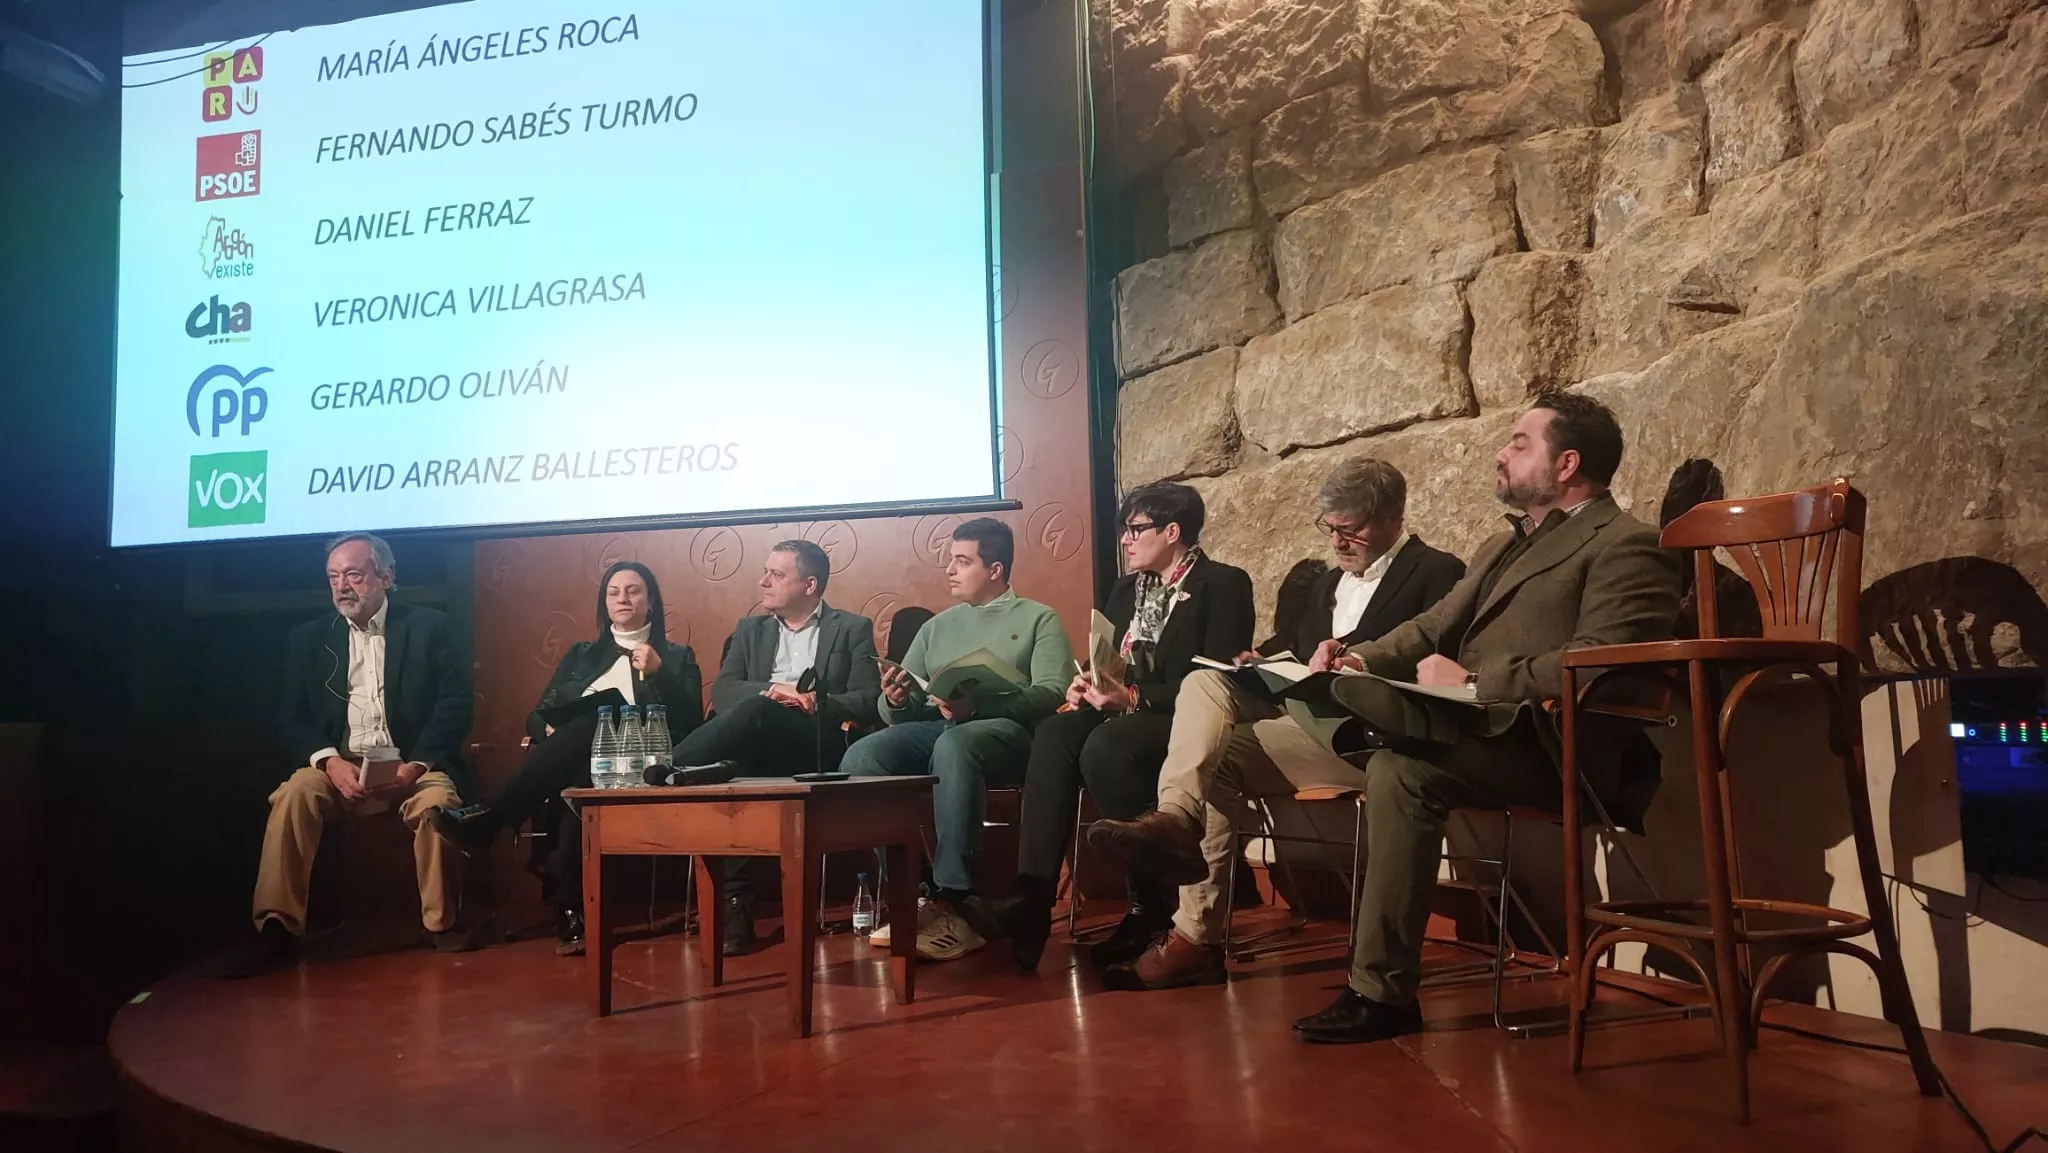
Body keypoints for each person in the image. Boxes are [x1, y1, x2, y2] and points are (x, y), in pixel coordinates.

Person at [1089, 390, 1682, 1045]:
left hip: (1537, 741)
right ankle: (1189, 897)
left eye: (1519, 443)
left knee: (1401, 771)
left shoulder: (1628, 543)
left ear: (1567, 464)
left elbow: (1600, 662)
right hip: (1444, 725)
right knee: (1216, 716)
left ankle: (1381, 991)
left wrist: (1476, 681)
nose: (1500, 453)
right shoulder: (1502, 545)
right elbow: (1429, 626)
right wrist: (1356, 658)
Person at [995, 482, 1253, 972]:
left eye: (1135, 529)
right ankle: (1032, 900)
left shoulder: (1222, 583)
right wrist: (1087, 683)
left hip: (1182, 719)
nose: (1125, 540)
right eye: (1124, 530)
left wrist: (1135, 698)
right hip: (1121, 713)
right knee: (1054, 733)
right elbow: (1110, 662)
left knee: (1107, 745)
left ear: (1172, 531)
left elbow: (1219, 679)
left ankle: (1149, 907)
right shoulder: (1125, 590)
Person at [217, 533, 475, 977]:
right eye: (334, 577)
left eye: (354, 575)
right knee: (293, 795)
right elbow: (291, 717)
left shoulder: (430, 627)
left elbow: (456, 705)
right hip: (340, 766)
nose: (342, 587)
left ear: (386, 577)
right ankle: (277, 929)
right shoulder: (309, 639)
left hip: (412, 765)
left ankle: (440, 925)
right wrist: (329, 762)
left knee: (437, 805)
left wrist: (415, 766)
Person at [433, 561, 702, 955]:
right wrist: (548, 730)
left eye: (633, 591)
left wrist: (661, 674)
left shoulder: (676, 656)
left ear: (651, 602)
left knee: (592, 727)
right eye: (613, 592)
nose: (623, 599)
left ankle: (496, 818)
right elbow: (538, 714)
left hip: (641, 762)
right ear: (604, 603)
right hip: (580, 762)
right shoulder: (582, 655)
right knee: (579, 772)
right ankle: (571, 912)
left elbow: (693, 723)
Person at [844, 517, 1074, 961]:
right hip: (941, 726)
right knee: (862, 756)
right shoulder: (938, 626)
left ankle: (956, 898)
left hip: (1005, 731)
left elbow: (1052, 691)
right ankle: (915, 891)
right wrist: (894, 699)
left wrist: (980, 705)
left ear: (995, 569)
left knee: (956, 745)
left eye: (963, 561)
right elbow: (905, 704)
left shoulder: (1038, 618)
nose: (950, 569)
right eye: (951, 560)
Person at [669, 539, 881, 955]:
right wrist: (775, 690)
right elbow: (724, 692)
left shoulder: (851, 628)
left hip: (815, 740)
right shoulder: (750, 630)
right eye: (765, 572)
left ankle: (670, 766)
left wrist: (815, 700)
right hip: (760, 740)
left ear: (810, 585)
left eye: (776, 574)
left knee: (753, 715)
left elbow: (867, 697)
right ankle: (735, 907)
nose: (763, 581)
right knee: (744, 755)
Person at [1266, 458, 1467, 660]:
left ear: (1392, 520)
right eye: (1331, 528)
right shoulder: (1324, 586)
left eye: (1349, 530)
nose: (1337, 543)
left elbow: (1441, 658)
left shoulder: (1439, 573)